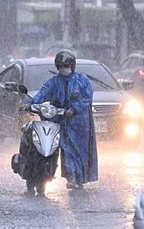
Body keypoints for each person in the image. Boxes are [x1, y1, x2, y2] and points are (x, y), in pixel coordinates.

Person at [31, 49, 98, 189]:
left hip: (81, 124)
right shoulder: (54, 83)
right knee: (67, 150)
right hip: (62, 121)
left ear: (72, 66)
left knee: (81, 151)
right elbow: (43, 92)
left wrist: (74, 109)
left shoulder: (82, 80)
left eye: (66, 66)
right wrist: (33, 104)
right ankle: (71, 176)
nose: (63, 69)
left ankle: (81, 177)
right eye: (60, 67)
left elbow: (87, 97)